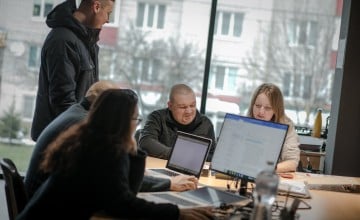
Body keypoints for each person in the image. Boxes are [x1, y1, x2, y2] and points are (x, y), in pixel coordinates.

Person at [17, 89, 214, 220]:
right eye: (136, 118)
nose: (136, 124)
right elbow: (123, 204)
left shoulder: (86, 141)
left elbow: (123, 189)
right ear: (123, 121)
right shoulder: (105, 151)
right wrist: (178, 213)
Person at [31, 0, 115, 141]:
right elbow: (63, 102)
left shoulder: (87, 42)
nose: (108, 20)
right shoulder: (62, 40)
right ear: (96, 6)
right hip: (58, 142)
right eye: (108, 13)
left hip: (73, 137)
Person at [139, 84, 216, 161]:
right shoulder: (157, 117)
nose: (189, 111)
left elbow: (213, 156)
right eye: (183, 107)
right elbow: (146, 142)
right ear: (170, 106)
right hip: (161, 169)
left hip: (192, 171)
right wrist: (176, 155)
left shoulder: (206, 124)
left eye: (192, 105)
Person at [247, 83, 300, 173]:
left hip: (272, 178)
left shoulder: (286, 126)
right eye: (257, 106)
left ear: (276, 110)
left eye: (267, 108)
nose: (261, 112)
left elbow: (292, 162)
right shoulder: (245, 123)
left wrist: (268, 170)